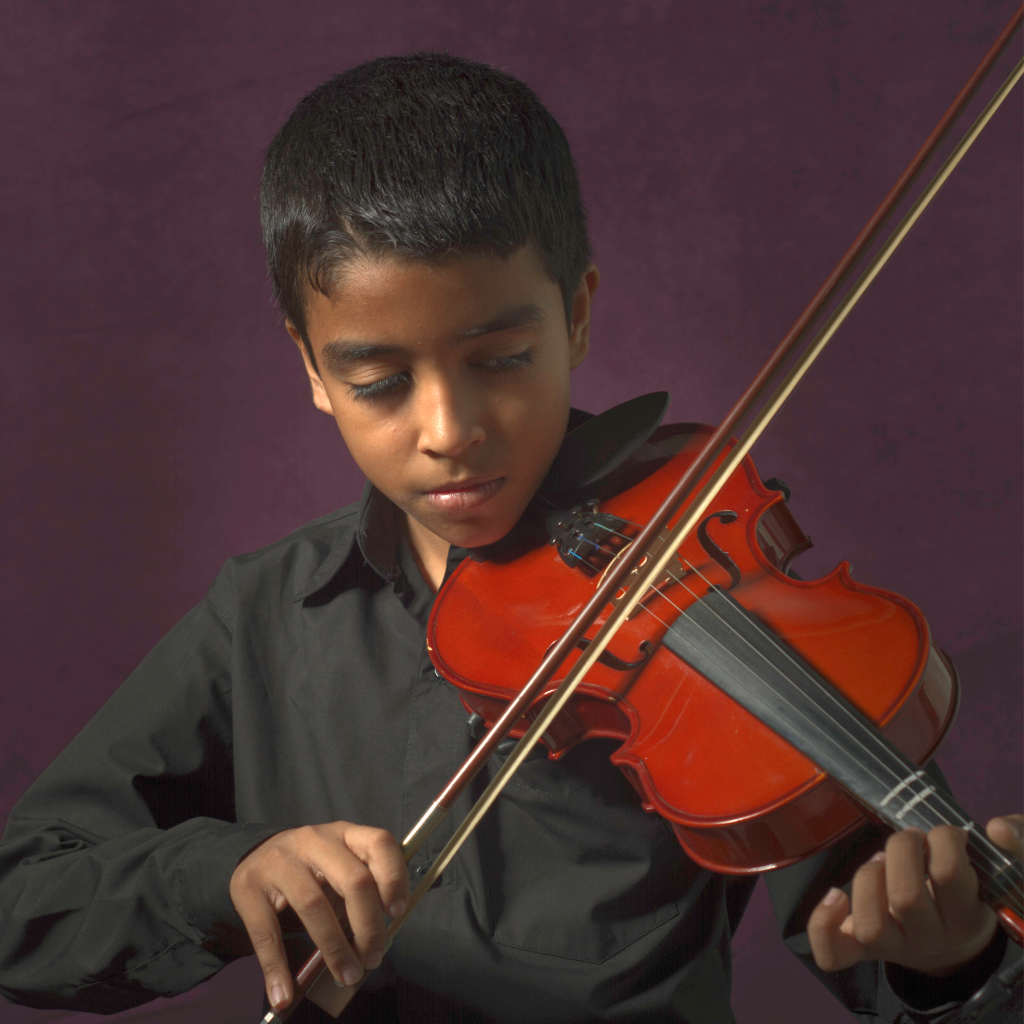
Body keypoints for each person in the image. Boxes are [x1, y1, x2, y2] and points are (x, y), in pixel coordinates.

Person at [0, 53, 1020, 1024]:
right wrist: (223, 874)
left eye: (501, 358)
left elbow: (906, 944)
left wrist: (955, 952)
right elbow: (23, 902)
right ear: (311, 369)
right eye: (378, 382)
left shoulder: (689, 590)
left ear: (575, 316)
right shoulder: (261, 615)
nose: (449, 431)